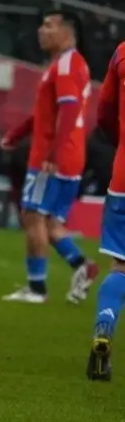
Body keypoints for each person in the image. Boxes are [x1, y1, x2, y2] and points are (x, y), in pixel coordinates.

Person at [0, 12, 99, 305]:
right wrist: (17, 134)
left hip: (53, 156)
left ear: (67, 33)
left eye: (48, 26)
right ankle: (82, 265)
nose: (41, 31)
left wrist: (53, 152)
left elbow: (68, 110)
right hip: (71, 155)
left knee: (32, 216)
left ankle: (36, 289)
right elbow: (47, 113)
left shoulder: (67, 65)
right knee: (51, 223)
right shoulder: (68, 64)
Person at [89, 41, 125, 381]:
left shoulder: (121, 52)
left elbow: (104, 112)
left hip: (123, 175)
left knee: (121, 265)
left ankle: (105, 324)